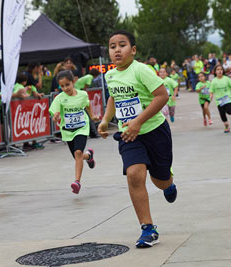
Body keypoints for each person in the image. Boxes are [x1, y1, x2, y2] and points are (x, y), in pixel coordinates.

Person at [98, 30, 177, 248]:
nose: (116, 50)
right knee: (134, 174)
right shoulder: (110, 75)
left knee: (160, 180)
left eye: (122, 45)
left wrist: (139, 121)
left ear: (133, 50)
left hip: (155, 131)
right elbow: (114, 97)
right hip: (128, 134)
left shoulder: (142, 70)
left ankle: (168, 182)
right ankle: (148, 228)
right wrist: (105, 120)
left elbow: (162, 96)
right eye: (112, 46)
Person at [49, 70, 99, 194]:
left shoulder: (82, 94)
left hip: (82, 128)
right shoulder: (60, 98)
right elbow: (54, 111)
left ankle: (77, 182)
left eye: (67, 84)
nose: (65, 88)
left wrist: (92, 116)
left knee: (77, 153)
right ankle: (89, 156)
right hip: (68, 131)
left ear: (73, 82)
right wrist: (55, 116)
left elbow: (87, 105)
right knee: (78, 157)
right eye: (62, 86)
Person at [210, 65, 231, 133]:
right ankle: (226, 126)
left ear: (223, 71)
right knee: (222, 114)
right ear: (215, 72)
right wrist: (211, 96)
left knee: (230, 112)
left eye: (221, 69)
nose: (220, 71)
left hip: (227, 99)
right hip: (219, 101)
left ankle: (226, 109)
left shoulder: (226, 79)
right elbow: (211, 91)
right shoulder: (213, 81)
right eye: (218, 70)